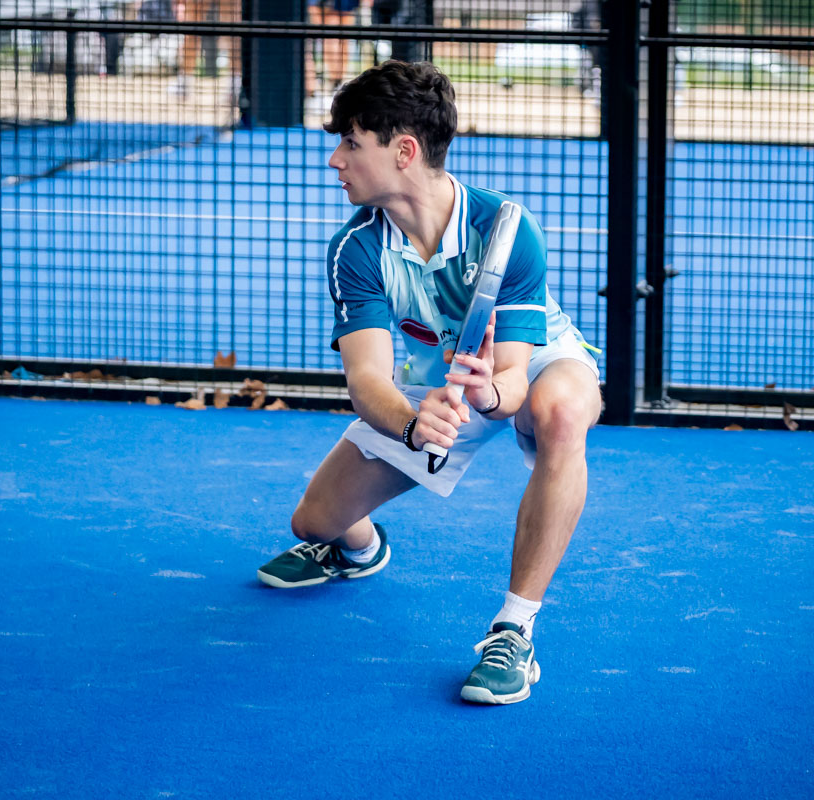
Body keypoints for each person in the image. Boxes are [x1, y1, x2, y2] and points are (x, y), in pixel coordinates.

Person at [256, 61, 604, 705]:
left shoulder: (505, 228)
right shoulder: (356, 250)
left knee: (560, 414)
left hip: (528, 362)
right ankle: (359, 550)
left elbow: (511, 382)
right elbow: (367, 378)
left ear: (404, 151)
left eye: (351, 143)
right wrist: (414, 424)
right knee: (314, 522)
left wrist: (487, 393)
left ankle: (514, 631)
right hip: (427, 385)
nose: (335, 160)